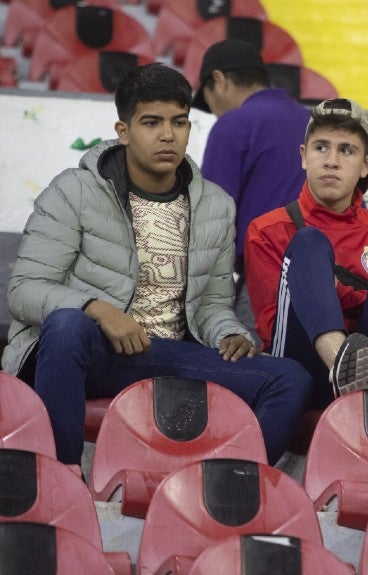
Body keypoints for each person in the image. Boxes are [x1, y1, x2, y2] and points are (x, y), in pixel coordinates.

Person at [1, 63, 313, 467]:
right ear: (124, 131)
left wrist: (231, 332)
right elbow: (23, 290)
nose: (168, 135)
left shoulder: (215, 205)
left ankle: (224, 487)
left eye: (179, 122)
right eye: (151, 122)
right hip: (92, 352)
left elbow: (214, 304)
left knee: (290, 378)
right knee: (66, 323)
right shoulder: (74, 191)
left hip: (168, 353)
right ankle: (60, 475)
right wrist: (97, 309)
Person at [244, 98, 368, 410]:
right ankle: (342, 364)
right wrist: (351, 296)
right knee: (309, 242)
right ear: (303, 156)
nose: (331, 161)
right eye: (321, 147)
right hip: (304, 370)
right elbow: (272, 326)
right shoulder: (267, 229)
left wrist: (335, 291)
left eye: (346, 150)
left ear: (366, 164)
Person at [192, 39, 312, 340]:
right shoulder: (315, 123)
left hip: (264, 279)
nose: (215, 112)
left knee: (249, 375)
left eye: (209, 102)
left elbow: (212, 220)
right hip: (329, 278)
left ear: (219, 80)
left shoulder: (233, 124)